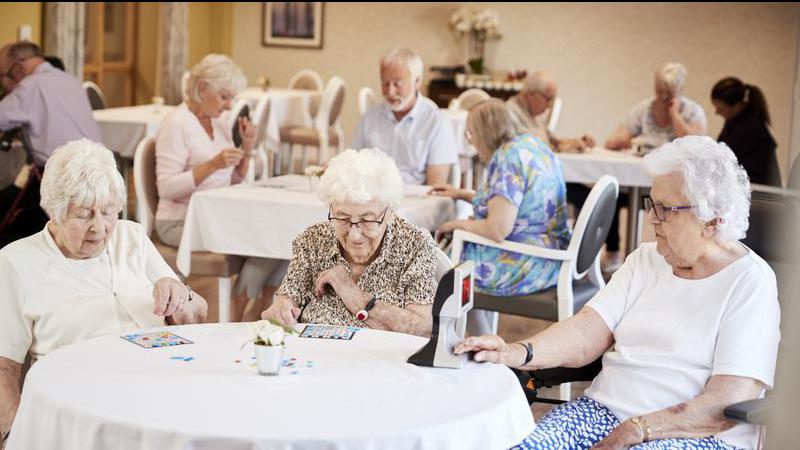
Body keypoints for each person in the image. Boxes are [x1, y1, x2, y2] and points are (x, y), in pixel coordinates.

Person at [455, 135, 780, 450]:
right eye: (651, 204)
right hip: (603, 412)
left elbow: (726, 400)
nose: (651, 218)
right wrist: (517, 351)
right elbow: (586, 330)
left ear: (711, 220)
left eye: (665, 209)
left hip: (691, 434)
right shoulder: (645, 260)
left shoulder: (749, 282)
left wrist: (640, 428)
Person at [0, 139, 208, 442]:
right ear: (54, 213)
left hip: (160, 389)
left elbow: (198, 317)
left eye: (109, 212)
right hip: (80, 408)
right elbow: (4, 369)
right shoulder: (17, 262)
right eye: (84, 215)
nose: (100, 228)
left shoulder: (132, 237)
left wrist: (180, 295)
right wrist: (14, 436)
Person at [261, 148, 438, 336]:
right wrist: (281, 310)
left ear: (389, 213)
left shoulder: (414, 245)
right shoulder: (313, 241)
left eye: (367, 220)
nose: (354, 235)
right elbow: (287, 300)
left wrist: (355, 296)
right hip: (316, 351)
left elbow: (423, 326)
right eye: (342, 218)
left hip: (384, 354)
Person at [432, 99, 571, 334]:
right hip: (550, 255)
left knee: (441, 266)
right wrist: (463, 194)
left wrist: (456, 224)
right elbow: (514, 204)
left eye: (471, 134)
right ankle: (481, 339)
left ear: (485, 132)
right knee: (452, 260)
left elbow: (497, 229)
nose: (471, 141)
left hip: (528, 262)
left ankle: (478, 342)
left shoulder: (507, 159)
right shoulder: (531, 145)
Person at [596, 62, 708, 272]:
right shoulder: (644, 109)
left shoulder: (693, 111)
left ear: (680, 90)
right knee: (612, 195)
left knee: (674, 208)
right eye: (660, 91)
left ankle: (678, 255)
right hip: (641, 181)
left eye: (669, 92)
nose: (663, 97)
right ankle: (613, 252)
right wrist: (631, 140)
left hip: (678, 188)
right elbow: (613, 141)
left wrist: (674, 115)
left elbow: (697, 145)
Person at [0, 41, 101, 247]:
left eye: (2, 75)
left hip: (60, 180)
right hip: (97, 174)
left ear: (17, 68)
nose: (4, 83)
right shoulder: (70, 79)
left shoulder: (30, 86)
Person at [351, 46, 459, 186]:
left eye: (398, 83)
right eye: (385, 83)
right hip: (373, 196)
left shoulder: (437, 121)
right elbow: (352, 165)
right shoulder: (370, 117)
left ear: (417, 81)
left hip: (415, 196)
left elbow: (436, 186)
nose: (390, 92)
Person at [712, 77, 781, 187]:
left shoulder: (751, 126)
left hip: (761, 192)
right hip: (749, 188)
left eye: (721, 109)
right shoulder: (733, 121)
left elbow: (723, 156)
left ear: (737, 105)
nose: (716, 112)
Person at [506, 70, 596, 152]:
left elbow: (551, 141)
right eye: (548, 99)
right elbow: (531, 148)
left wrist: (579, 141)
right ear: (531, 94)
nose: (549, 105)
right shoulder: (510, 112)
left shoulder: (536, 115)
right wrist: (568, 146)